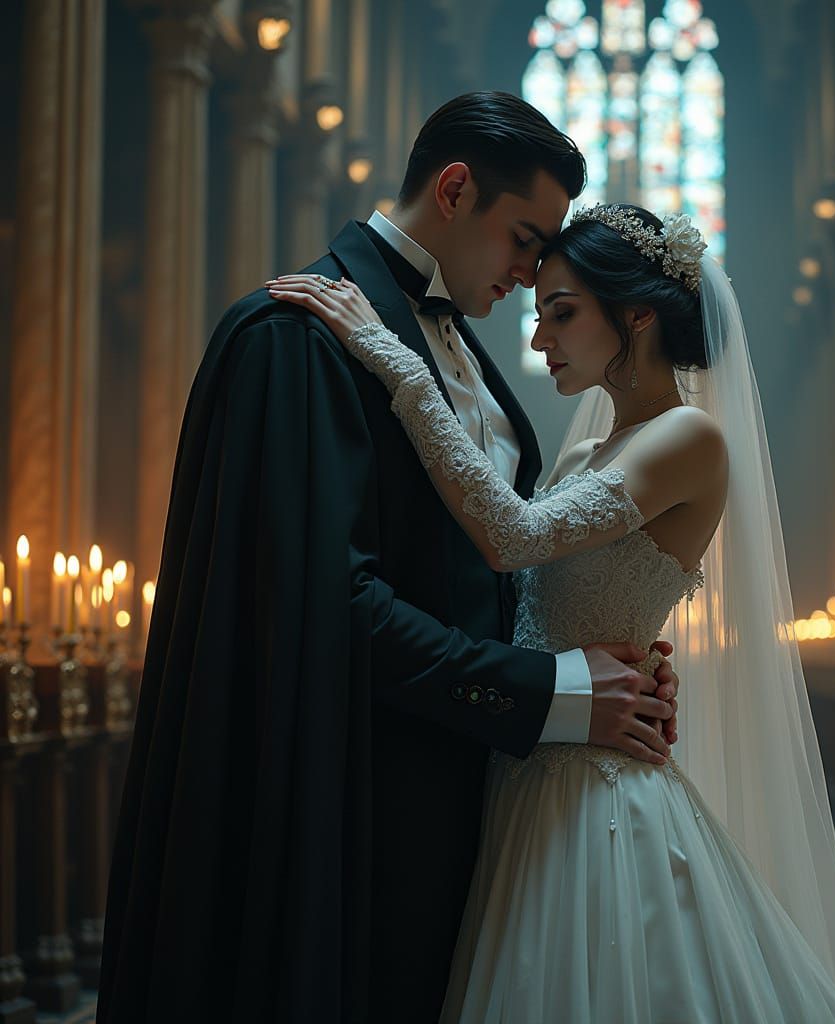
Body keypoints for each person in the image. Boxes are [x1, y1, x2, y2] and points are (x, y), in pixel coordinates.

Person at [96, 95, 682, 1024]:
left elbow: (494, 567)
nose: (532, 275)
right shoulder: (296, 334)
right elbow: (329, 602)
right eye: (524, 240)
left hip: (469, 801)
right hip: (348, 807)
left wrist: (604, 654)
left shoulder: (465, 354)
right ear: (455, 189)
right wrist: (556, 692)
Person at [268, 202, 835, 1023]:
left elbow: (511, 535)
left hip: (601, 796)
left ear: (636, 313)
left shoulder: (690, 438)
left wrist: (395, 360)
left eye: (560, 313)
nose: (537, 340)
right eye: (537, 315)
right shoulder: (584, 449)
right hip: (528, 769)